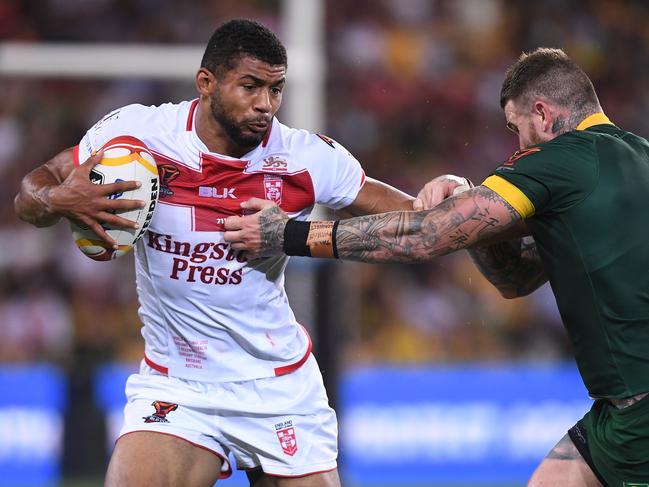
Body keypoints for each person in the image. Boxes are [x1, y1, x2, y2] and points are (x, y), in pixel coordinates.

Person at [14, 19, 415, 487]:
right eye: (250, 87)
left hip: (278, 386)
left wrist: (447, 196)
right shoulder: (141, 135)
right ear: (206, 83)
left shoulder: (305, 157)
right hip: (178, 385)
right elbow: (31, 193)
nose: (265, 105)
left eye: (276, 89)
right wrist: (58, 200)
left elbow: (414, 226)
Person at [224, 47, 649, 487]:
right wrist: (467, 203)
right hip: (614, 413)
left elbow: (422, 237)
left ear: (542, 114)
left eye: (515, 127)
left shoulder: (562, 159)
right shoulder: (635, 158)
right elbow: (517, 278)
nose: (519, 144)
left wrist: (288, 235)